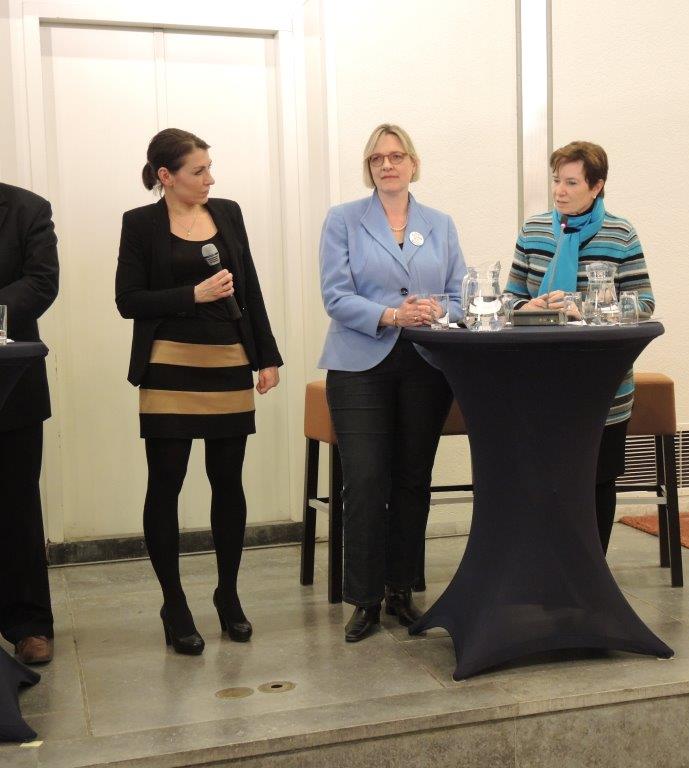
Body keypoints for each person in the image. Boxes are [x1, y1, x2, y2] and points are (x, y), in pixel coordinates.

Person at [115, 129, 282, 655]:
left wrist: (267, 355)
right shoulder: (140, 223)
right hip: (168, 367)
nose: (210, 178)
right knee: (166, 482)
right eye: (198, 170)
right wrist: (193, 294)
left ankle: (227, 594)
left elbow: (249, 287)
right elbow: (128, 300)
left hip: (228, 360)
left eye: (210, 168)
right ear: (166, 176)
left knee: (227, 482)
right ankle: (174, 603)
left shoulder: (227, 213)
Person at [319, 123, 466, 642]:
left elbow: (460, 296)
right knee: (364, 480)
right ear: (369, 168)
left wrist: (434, 310)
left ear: (413, 164)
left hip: (425, 364)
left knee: (411, 479)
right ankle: (364, 599)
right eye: (378, 158)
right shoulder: (343, 220)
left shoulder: (440, 224)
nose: (388, 164)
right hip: (360, 363)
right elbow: (335, 295)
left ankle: (401, 590)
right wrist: (391, 314)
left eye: (397, 156)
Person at [505, 140, 655, 553]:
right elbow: (507, 299)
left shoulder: (621, 234)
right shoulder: (534, 230)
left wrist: (584, 308)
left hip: (602, 385)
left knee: (596, 481)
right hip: (538, 382)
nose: (560, 191)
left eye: (571, 183)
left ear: (597, 186)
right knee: (542, 480)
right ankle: (546, 570)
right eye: (557, 180)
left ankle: (591, 571)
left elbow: (643, 304)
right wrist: (527, 306)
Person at [0, 183, 59, 665]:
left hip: (11, 384)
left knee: (16, 504)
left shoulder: (28, 209)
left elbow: (41, 282)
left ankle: (29, 624)